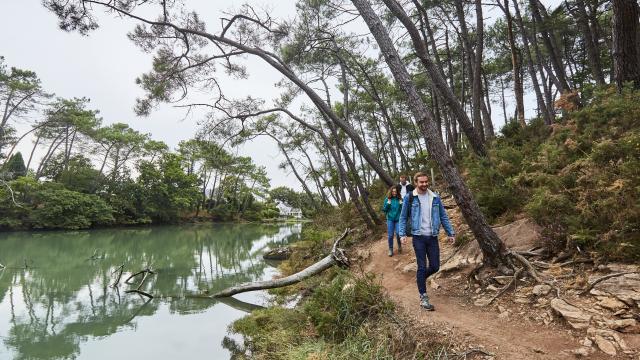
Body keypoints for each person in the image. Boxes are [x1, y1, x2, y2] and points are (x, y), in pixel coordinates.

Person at [399, 172, 455, 311]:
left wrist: (450, 232)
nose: (424, 184)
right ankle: (423, 296)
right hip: (418, 237)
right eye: (421, 182)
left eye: (426, 182)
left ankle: (420, 279)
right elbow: (403, 217)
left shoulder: (434, 197)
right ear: (416, 183)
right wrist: (402, 234)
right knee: (422, 266)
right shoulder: (410, 198)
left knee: (435, 266)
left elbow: (443, 216)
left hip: (432, 237)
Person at [381, 186, 403, 257]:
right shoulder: (387, 199)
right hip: (390, 219)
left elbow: (403, 210)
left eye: (395, 192)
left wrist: (401, 204)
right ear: (391, 192)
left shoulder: (399, 199)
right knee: (390, 235)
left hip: (398, 219)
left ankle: (399, 246)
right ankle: (390, 249)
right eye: (393, 192)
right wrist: (388, 203)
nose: (394, 193)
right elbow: (384, 210)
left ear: (397, 192)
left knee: (398, 233)